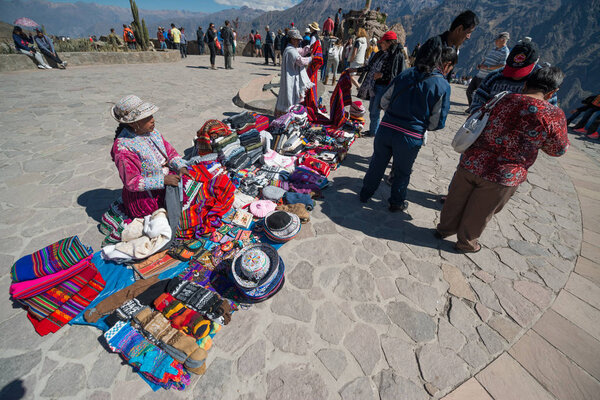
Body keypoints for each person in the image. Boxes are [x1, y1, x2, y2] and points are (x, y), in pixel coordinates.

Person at [436, 66, 569, 252]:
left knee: (455, 199)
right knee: (481, 211)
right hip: (504, 174)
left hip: (472, 160)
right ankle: (466, 243)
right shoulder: (553, 115)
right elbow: (558, 149)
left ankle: (443, 229)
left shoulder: (502, 98)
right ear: (552, 92)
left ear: (525, 84)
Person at [359, 44, 457, 212]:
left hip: (386, 129)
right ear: (446, 65)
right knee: (402, 171)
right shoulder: (442, 85)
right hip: (410, 136)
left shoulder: (405, 74)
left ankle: (365, 194)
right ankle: (396, 203)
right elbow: (437, 122)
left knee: (377, 163)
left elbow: (384, 101)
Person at [110, 95, 188, 219]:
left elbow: (170, 152)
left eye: (151, 116)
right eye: (146, 118)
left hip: (165, 179)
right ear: (133, 123)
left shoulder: (153, 133)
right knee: (162, 219)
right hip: (145, 195)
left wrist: (181, 166)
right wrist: (163, 181)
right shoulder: (123, 148)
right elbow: (131, 182)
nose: (152, 120)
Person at [469, 41, 557, 112]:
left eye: (521, 70)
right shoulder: (495, 76)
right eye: (512, 68)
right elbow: (477, 101)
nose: (515, 77)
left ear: (535, 62)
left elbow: (551, 114)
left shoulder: (544, 83)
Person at [352, 30, 407, 136]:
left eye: (382, 43)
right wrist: (355, 70)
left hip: (385, 87)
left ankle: (376, 132)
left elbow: (396, 74)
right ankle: (374, 131)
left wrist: (382, 75)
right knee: (372, 108)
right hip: (374, 85)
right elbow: (370, 67)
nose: (380, 44)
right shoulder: (380, 54)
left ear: (389, 43)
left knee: (376, 110)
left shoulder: (396, 56)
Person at [275, 29, 313, 116]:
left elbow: (301, 51)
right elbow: (301, 61)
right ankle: (287, 115)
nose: (298, 41)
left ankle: (286, 115)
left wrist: (308, 49)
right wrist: (311, 58)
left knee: (288, 95)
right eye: (297, 40)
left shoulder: (291, 49)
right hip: (290, 78)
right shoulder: (291, 51)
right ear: (292, 39)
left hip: (290, 77)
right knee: (290, 96)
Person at [466, 32, 510, 106]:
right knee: (469, 91)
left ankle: (474, 108)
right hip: (479, 74)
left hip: (487, 76)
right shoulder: (494, 48)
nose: (495, 41)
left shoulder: (505, 52)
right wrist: (481, 64)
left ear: (503, 40)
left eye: (497, 40)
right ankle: (471, 106)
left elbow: (502, 65)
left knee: (479, 94)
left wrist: (488, 67)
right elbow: (486, 58)